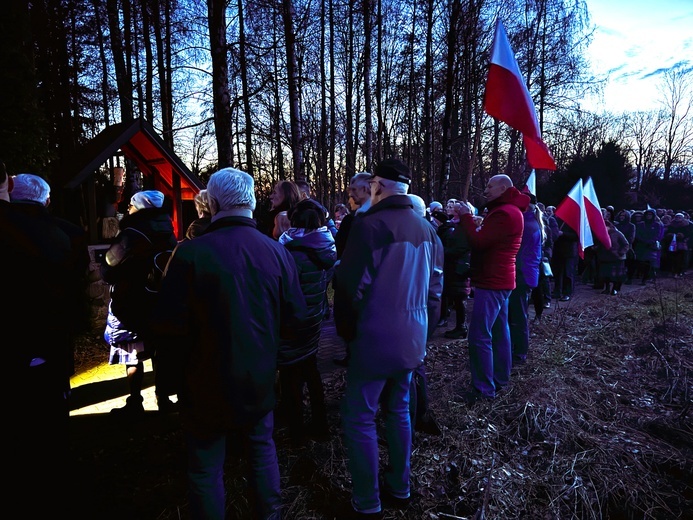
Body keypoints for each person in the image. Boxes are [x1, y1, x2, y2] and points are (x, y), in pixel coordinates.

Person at [150, 168, 307, 520]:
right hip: (259, 377)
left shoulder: (189, 255)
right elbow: (297, 318)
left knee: (206, 465)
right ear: (250, 202)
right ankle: (271, 514)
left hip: (203, 380)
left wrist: (169, 384)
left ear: (214, 203)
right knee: (261, 448)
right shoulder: (276, 252)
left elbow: (168, 328)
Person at [333, 158, 443, 517]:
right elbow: (434, 290)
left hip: (374, 337)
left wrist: (347, 332)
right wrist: (425, 330)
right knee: (399, 410)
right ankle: (401, 485)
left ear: (378, 185)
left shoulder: (370, 226)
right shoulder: (427, 229)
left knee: (360, 416)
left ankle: (367, 501)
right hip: (412, 337)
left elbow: (350, 288)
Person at [4, 171, 90, 517]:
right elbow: (78, 287)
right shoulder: (68, 233)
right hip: (52, 337)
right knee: (52, 418)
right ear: (46, 200)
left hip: (13, 340)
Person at [100, 189, 179, 418]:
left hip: (131, 304)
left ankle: (135, 402)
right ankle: (164, 400)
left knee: (132, 355)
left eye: (132, 205)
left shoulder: (131, 232)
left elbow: (108, 270)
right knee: (159, 352)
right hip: (159, 301)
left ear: (139, 207)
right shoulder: (168, 231)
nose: (129, 209)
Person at [451, 174, 528, 403]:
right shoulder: (508, 210)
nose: (486, 189)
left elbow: (479, 243)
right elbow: (490, 237)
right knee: (498, 332)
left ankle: (484, 389)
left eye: (490, 185)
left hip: (493, 281)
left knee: (480, 335)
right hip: (500, 280)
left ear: (503, 188)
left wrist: (465, 218)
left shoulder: (504, 212)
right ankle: (500, 379)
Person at [276, 198, 337, 444]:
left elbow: (284, 290)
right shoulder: (326, 245)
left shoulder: (291, 251)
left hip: (293, 322)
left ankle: (297, 432)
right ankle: (320, 423)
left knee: (291, 375)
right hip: (313, 319)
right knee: (310, 369)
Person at [333, 172, 372, 366]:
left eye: (354, 189)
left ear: (366, 189)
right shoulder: (357, 218)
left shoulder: (365, 219)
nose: (350, 193)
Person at [508, 195, 543, 366]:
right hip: (525, 275)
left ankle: (519, 353)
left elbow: (519, 254)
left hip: (522, 275)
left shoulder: (526, 225)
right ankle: (516, 350)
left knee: (518, 316)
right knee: (517, 315)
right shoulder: (531, 223)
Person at [595, 219, 630, 295]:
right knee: (606, 275)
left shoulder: (617, 233)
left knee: (616, 276)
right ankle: (607, 288)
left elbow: (626, 244)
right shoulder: (601, 234)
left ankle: (615, 289)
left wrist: (621, 252)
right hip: (605, 257)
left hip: (616, 257)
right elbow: (599, 244)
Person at [633, 208, 664, 284]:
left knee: (650, 262)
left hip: (651, 246)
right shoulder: (640, 224)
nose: (648, 216)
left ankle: (646, 278)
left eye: (650, 214)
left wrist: (651, 241)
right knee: (641, 262)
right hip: (641, 245)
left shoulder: (657, 225)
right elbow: (637, 234)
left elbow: (658, 235)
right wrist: (643, 240)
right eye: (647, 214)